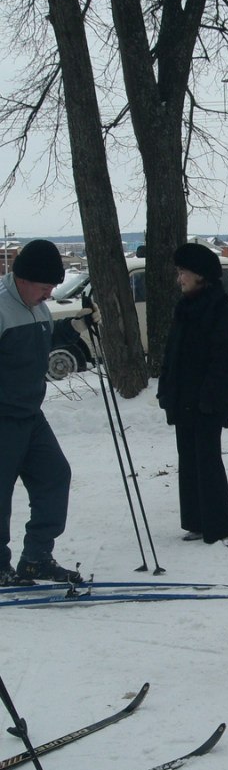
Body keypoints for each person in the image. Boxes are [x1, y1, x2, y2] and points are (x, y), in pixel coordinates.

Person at [0, 239, 83, 585]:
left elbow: (42, 343)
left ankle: (36, 557)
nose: (50, 293)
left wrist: (76, 327)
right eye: (45, 286)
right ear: (23, 278)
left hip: (30, 415)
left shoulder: (39, 306)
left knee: (54, 475)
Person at [157, 243, 228, 546]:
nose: (179, 278)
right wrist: (166, 386)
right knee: (188, 460)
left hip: (207, 402)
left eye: (183, 273)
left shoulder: (221, 309)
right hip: (183, 399)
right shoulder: (185, 306)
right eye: (179, 272)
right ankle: (196, 521)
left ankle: (221, 526)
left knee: (207, 461)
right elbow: (173, 352)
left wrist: (211, 398)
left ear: (201, 276)